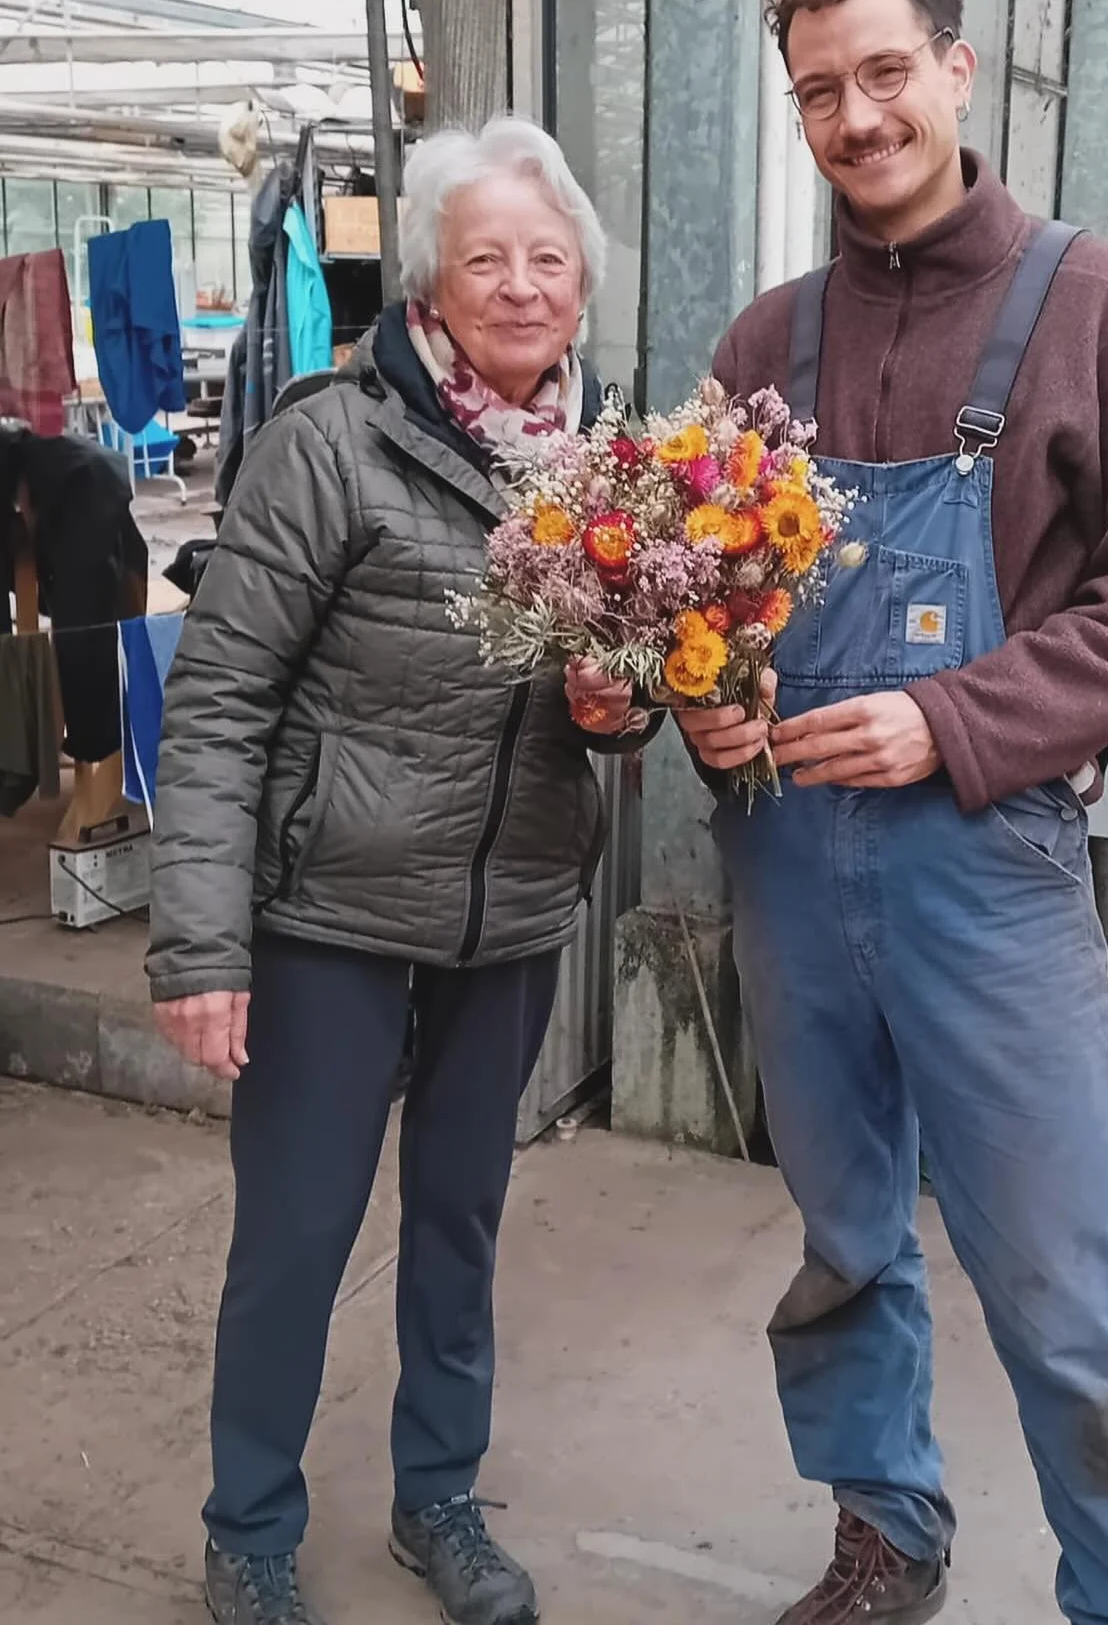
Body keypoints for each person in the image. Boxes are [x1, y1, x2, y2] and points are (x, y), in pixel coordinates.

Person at [678, 0, 1108, 1625]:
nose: (858, 118)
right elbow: (690, 588)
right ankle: (886, 1532)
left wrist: (958, 719)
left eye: (886, 74)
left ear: (957, 69)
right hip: (790, 857)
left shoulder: (1098, 303)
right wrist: (695, 693)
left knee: (1066, 1288)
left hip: (986, 869)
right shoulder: (763, 342)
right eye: (820, 92)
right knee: (847, 1242)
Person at [148, 118, 656, 1625]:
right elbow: (223, 695)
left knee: (461, 1222)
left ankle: (440, 1498)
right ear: (430, 273)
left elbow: (608, 699)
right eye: (485, 256)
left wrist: (623, 705)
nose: (518, 286)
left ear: (582, 286)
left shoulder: (614, 469)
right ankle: (248, 1522)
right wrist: (201, 948)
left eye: (547, 260)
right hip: (329, 920)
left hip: (507, 920)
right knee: (298, 1234)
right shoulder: (333, 441)